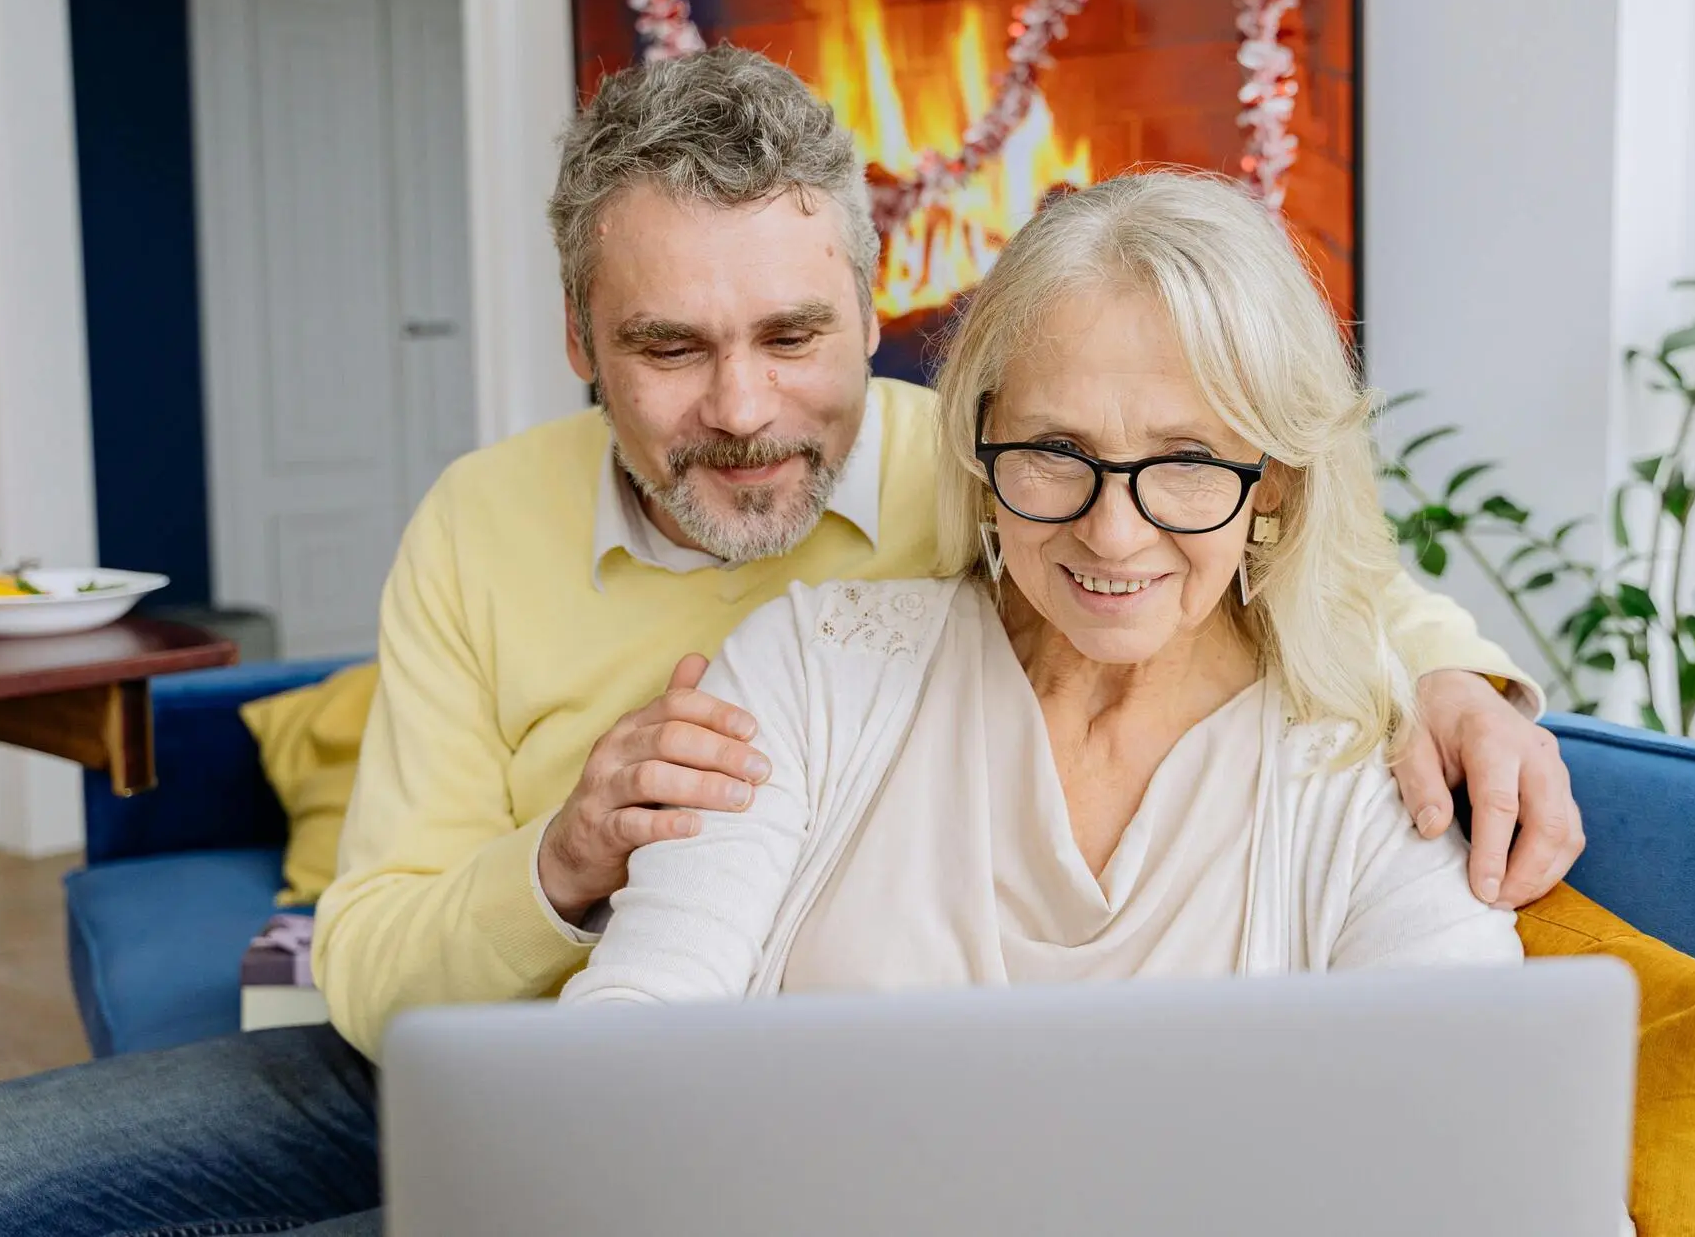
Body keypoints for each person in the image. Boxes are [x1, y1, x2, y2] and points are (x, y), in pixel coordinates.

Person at [0, 48, 1580, 1236]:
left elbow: (1226, 538)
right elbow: (378, 965)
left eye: (792, 336)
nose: (742, 408)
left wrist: (1455, 676)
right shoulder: (481, 521)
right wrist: (569, 854)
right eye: (670, 345)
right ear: (580, 343)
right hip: (465, 1054)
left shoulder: (996, 470)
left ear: (871, 319)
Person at [562, 168, 1525, 1011]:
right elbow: (635, 1028)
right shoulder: (807, 676)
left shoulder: (1374, 774)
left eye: (1185, 459)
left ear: (1271, 478)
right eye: (1056, 452)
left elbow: (1490, 1150)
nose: (1112, 531)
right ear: (981, 445)